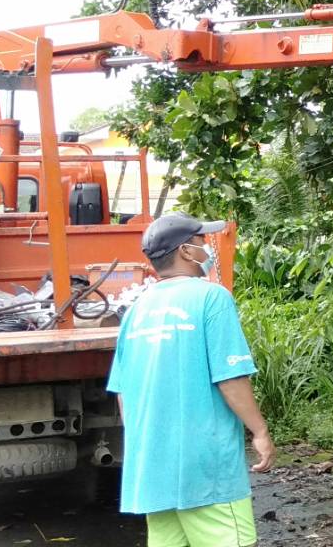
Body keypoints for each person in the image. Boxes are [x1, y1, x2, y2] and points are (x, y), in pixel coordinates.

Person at [107, 213, 273, 547]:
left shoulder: (136, 311)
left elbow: (123, 392)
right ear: (185, 251)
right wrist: (260, 430)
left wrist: (147, 445)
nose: (205, 248)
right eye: (200, 242)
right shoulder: (212, 298)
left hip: (153, 468)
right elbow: (230, 378)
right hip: (205, 467)